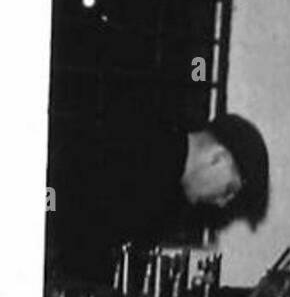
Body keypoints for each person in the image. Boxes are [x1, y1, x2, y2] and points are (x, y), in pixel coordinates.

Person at [45, 110, 270, 283]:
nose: (222, 203)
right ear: (217, 157)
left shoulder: (171, 189)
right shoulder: (143, 148)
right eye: (229, 189)